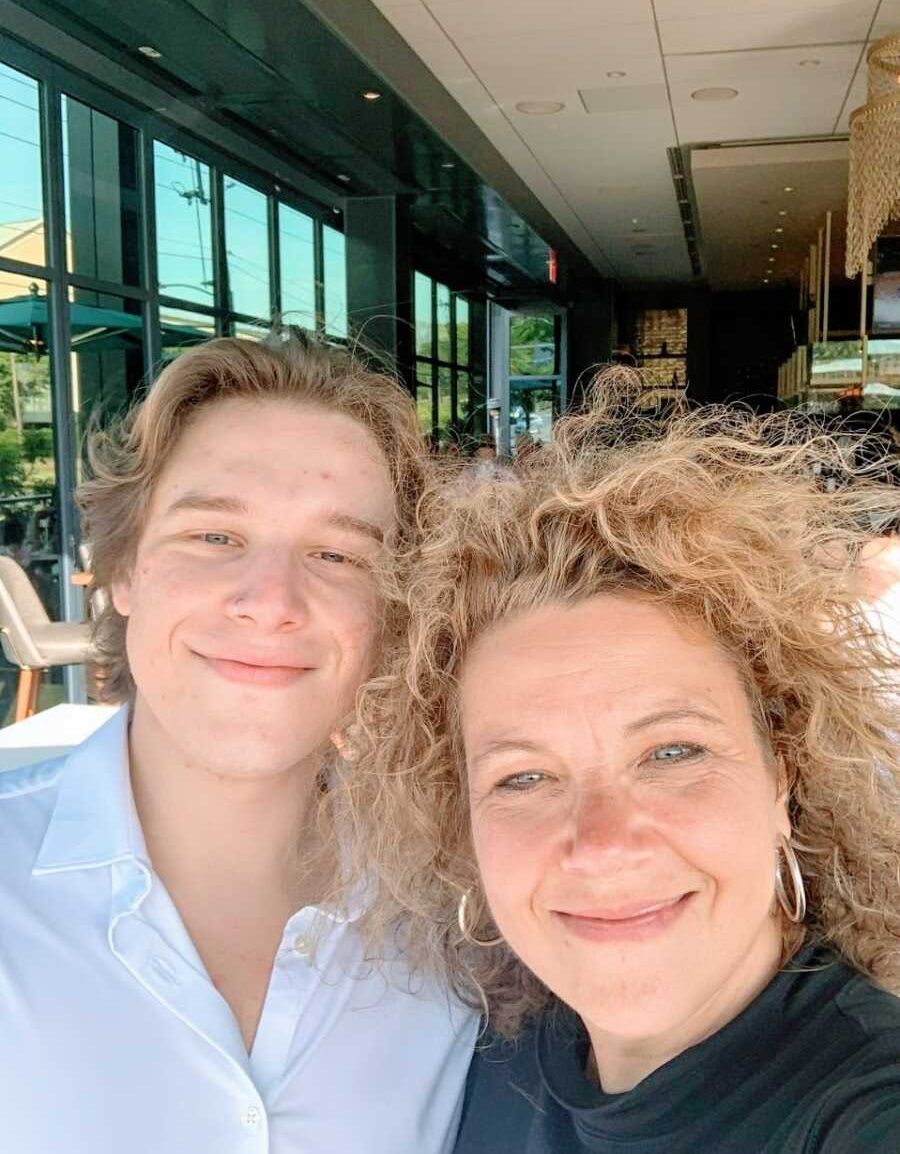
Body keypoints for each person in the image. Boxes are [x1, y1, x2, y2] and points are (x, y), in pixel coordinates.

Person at [344, 379, 900, 1153]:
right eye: (524, 776)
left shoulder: (867, 1108)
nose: (603, 843)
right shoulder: (490, 1067)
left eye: (671, 752)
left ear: (785, 771)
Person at [0, 329, 476, 1153]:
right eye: (215, 536)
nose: (271, 600)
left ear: (392, 612)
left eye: (336, 552)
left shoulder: (464, 917)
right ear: (122, 569)